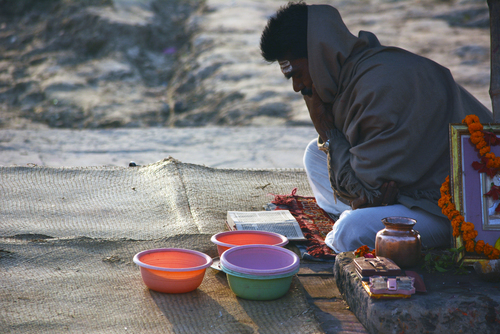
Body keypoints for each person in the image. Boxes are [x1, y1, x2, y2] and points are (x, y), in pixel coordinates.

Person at [260, 2, 493, 253]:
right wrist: (370, 196)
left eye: (298, 74)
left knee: (348, 231)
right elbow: (370, 192)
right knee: (314, 154)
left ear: (319, 56)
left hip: (456, 210)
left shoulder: (373, 89)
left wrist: (326, 130)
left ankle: (335, 244)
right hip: (410, 188)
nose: (297, 87)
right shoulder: (353, 71)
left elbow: (367, 194)